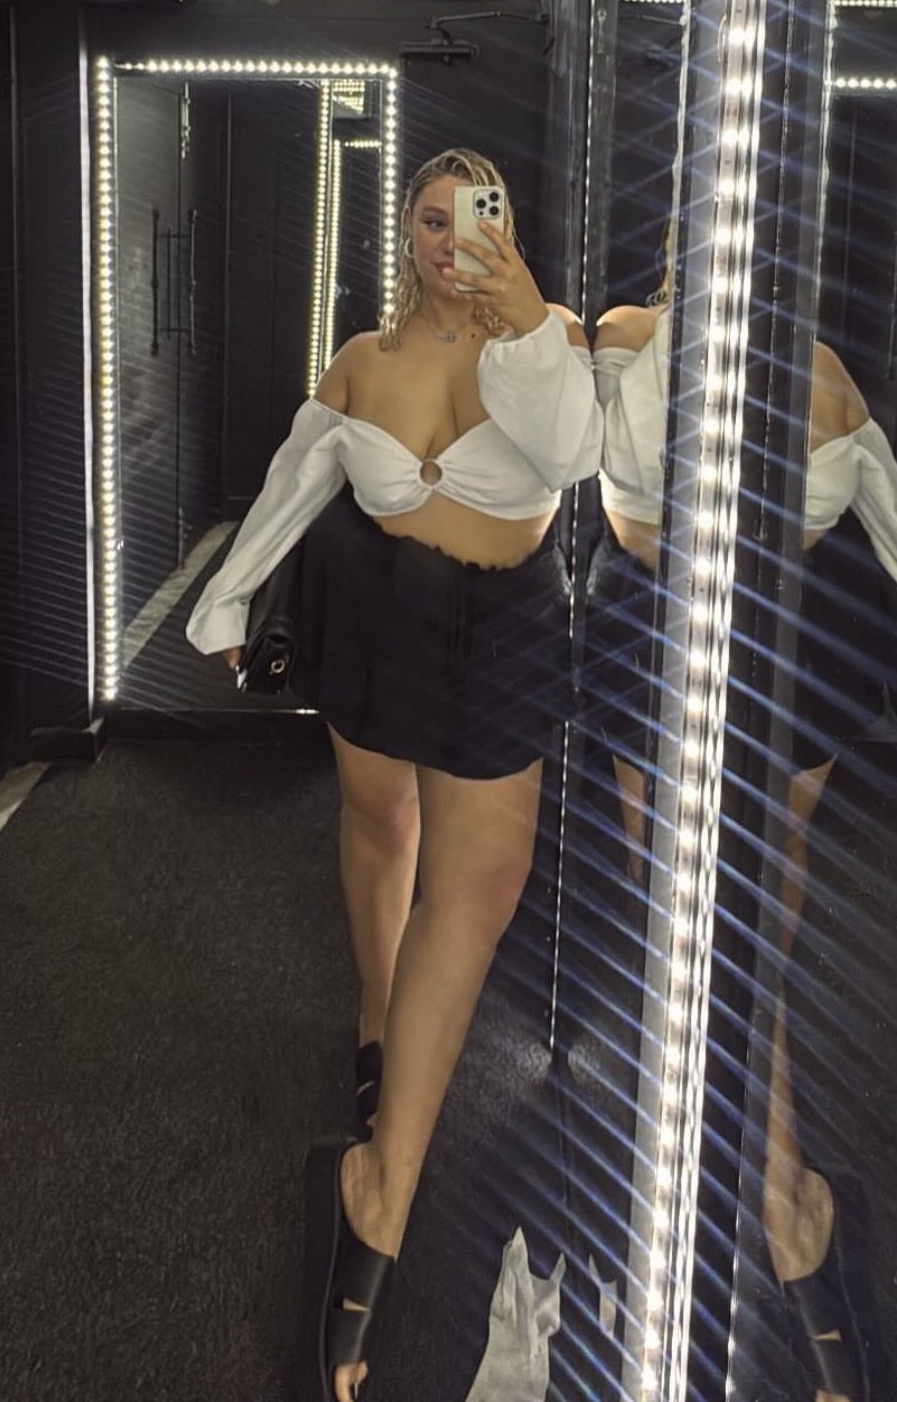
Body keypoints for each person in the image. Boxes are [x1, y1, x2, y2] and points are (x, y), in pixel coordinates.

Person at [186, 149, 602, 1402]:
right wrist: (227, 600)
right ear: (407, 228)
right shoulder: (363, 356)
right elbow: (297, 478)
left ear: (505, 225)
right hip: (372, 610)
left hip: (505, 624)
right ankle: (379, 1027)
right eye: (432, 215)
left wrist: (526, 318)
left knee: (480, 885)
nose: (450, 236)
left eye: (477, 214)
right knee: (380, 822)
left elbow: (571, 457)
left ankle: (385, 1177)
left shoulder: (546, 337)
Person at [592, 311, 897, 1402]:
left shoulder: (822, 373)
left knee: (741, 909)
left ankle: (758, 1184)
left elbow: (884, 497)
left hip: (790, 647)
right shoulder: (627, 337)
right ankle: (782, 1194)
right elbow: (605, 466)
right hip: (660, 634)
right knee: (677, 904)